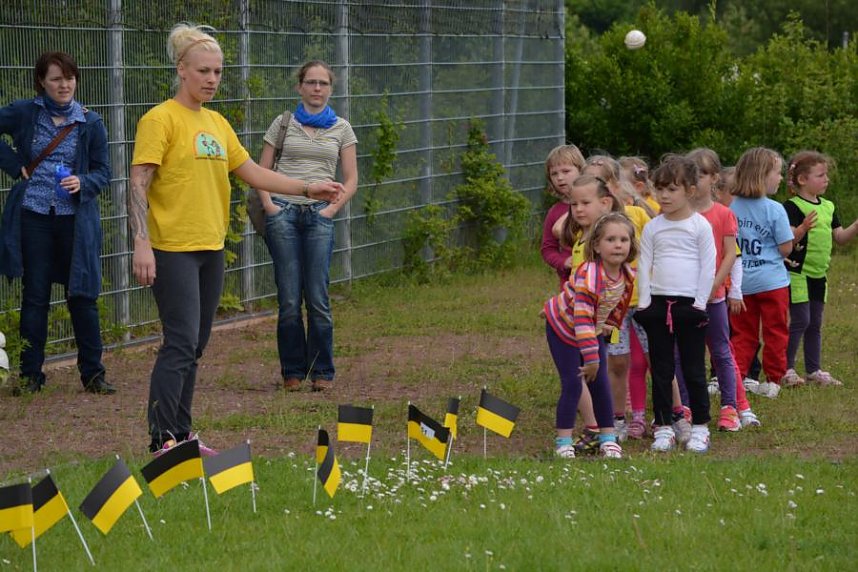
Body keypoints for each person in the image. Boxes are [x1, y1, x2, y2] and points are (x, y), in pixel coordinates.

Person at [129, 24, 344, 455]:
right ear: (182, 71)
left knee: (197, 345)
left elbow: (252, 172)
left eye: (218, 72)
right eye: (203, 71)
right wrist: (141, 242)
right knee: (180, 342)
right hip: (172, 248)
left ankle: (184, 434)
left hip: (210, 247)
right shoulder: (160, 119)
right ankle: (162, 441)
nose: (211, 79)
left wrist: (307, 187)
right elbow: (138, 182)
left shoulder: (216, 123)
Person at [0, 51, 114, 395]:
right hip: (34, 216)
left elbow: (104, 172)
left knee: (82, 295)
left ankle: (93, 375)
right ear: (42, 82)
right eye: (55, 79)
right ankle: (30, 376)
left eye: (69, 78)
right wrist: (12, 163)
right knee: (35, 296)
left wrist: (84, 182)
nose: (64, 85)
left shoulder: (90, 122)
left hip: (75, 223)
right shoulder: (25, 113)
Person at [256, 60, 358, 392]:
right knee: (288, 298)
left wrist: (331, 211)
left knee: (317, 296)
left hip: (319, 216)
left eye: (323, 83)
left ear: (331, 88)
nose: (317, 89)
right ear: (299, 87)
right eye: (311, 82)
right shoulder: (283, 124)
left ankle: (322, 372)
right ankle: (292, 372)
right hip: (283, 213)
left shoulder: (342, 128)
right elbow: (262, 169)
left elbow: (352, 179)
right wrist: (270, 206)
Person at [634, 155, 716, 453]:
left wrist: (699, 304)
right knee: (661, 370)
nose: (664, 196)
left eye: (672, 190)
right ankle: (664, 426)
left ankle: (700, 427)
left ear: (690, 191)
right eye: (660, 189)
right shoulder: (654, 227)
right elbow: (644, 264)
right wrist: (644, 304)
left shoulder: (700, 227)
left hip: (689, 307)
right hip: (657, 304)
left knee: (694, 369)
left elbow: (708, 266)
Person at [544, 212, 637, 459]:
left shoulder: (627, 274)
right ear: (596, 245)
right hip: (564, 328)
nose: (618, 245)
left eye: (624, 240)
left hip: (591, 329)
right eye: (610, 240)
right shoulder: (589, 274)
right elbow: (582, 316)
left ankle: (608, 439)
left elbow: (617, 306)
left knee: (601, 383)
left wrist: (609, 328)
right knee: (574, 382)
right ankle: (563, 442)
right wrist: (592, 358)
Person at [682, 148, 760, 431]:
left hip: (713, 297)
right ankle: (683, 408)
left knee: (721, 351)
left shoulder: (724, 214)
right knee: (682, 353)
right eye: (690, 173)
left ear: (714, 177)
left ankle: (735, 406)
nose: (695, 180)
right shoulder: (677, 214)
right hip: (682, 297)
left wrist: (724, 287)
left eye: (701, 174)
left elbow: (732, 255)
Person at [581, 156, 651, 441]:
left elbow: (656, 239)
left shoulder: (636, 214)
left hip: (643, 302)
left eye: (600, 184)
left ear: (612, 187)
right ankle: (617, 418)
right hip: (610, 312)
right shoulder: (588, 229)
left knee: (655, 358)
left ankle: (669, 416)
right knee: (616, 362)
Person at [552, 174, 624, 454]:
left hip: (597, 323)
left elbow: (621, 294)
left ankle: (608, 430)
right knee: (579, 376)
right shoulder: (582, 242)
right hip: (574, 322)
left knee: (606, 371)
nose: (578, 210)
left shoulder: (615, 240)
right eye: (573, 204)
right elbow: (579, 293)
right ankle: (585, 431)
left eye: (585, 203)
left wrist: (611, 326)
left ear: (605, 202)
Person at [783, 150, 858, 387]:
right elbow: (787, 241)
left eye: (826, 175)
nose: (827, 179)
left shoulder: (828, 206)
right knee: (800, 321)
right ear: (803, 180)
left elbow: (841, 237)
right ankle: (787, 369)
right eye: (821, 175)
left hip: (819, 275)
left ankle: (814, 371)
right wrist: (803, 228)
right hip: (797, 272)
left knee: (815, 323)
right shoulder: (792, 206)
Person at [728, 147, 793, 399]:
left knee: (743, 333)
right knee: (775, 331)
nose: (779, 178)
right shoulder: (775, 209)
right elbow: (786, 248)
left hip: (741, 283)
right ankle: (773, 380)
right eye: (777, 173)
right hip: (772, 282)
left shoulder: (731, 207)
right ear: (762, 175)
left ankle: (737, 377)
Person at [540, 144, 584, 287]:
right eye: (554, 174)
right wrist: (562, 262)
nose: (560, 178)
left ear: (581, 170)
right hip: (569, 285)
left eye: (566, 171)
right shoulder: (554, 211)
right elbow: (548, 248)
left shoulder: (595, 205)